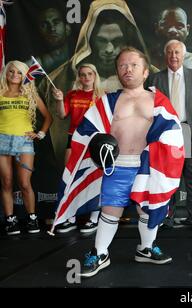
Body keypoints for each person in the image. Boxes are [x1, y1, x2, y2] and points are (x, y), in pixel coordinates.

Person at [57, 47, 184, 278]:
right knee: (111, 209)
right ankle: (100, 252)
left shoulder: (159, 101)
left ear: (145, 72)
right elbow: (88, 131)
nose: (128, 69)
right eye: (123, 65)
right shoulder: (108, 101)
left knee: (148, 206)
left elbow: (173, 131)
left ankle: (146, 248)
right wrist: (98, 145)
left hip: (148, 165)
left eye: (134, 65)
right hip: (117, 164)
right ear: (117, 72)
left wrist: (162, 153)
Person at [39, 0, 158, 174]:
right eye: (102, 40)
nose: (110, 49)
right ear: (90, 40)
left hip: (127, 153)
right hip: (83, 142)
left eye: (117, 40)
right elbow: (61, 115)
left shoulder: (152, 77)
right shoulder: (58, 79)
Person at [148, 40, 192, 232]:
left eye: (177, 52)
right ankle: (165, 218)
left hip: (190, 129)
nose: (173, 56)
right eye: (170, 52)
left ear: (183, 55)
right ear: (165, 55)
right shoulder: (155, 79)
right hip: (165, 131)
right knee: (166, 175)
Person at [0, 60, 53, 235]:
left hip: (24, 141)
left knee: (24, 183)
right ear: (6, 73)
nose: (15, 75)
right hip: (2, 140)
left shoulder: (30, 94)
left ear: (25, 75)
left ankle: (32, 218)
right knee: (7, 183)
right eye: (11, 72)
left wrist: (40, 134)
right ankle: (10, 220)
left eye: (19, 72)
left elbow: (48, 117)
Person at [51, 64, 104, 233]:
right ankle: (70, 218)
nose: (86, 77)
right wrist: (59, 100)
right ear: (79, 77)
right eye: (82, 75)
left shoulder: (103, 96)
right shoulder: (72, 95)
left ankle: (94, 219)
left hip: (95, 140)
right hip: (74, 139)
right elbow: (61, 115)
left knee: (95, 179)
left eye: (89, 74)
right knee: (71, 178)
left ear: (95, 76)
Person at [151, 6, 192, 92]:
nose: (172, 30)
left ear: (187, 29)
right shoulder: (144, 62)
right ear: (157, 28)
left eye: (179, 26)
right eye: (165, 25)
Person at [34, 6, 72, 74]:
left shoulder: (83, 59)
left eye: (56, 22)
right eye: (44, 25)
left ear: (67, 28)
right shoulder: (30, 67)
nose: (52, 29)